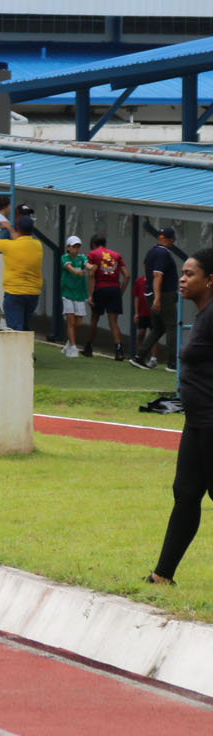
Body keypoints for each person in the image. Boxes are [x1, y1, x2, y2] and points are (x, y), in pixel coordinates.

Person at [146, 248, 213, 586]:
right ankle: (162, 575)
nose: (183, 279)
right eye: (182, 274)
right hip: (197, 421)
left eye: (190, 274)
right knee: (186, 493)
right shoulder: (204, 314)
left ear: (210, 280)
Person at [132, 226, 180, 372]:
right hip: (163, 295)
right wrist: (158, 298)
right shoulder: (164, 253)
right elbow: (158, 275)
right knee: (172, 326)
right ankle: (173, 363)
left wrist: (150, 288)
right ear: (171, 239)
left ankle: (139, 357)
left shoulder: (152, 250)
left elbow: (146, 266)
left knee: (158, 328)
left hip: (150, 293)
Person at [0, 213, 43, 334]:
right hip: (33, 294)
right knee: (25, 328)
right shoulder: (37, 245)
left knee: (16, 330)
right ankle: (27, 352)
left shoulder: (9, 246)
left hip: (14, 293)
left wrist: (4, 228)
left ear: (18, 228)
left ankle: (18, 353)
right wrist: (11, 228)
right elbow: (20, 239)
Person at [82, 232, 128, 359]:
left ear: (93, 244)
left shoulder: (92, 254)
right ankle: (119, 351)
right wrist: (121, 291)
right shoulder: (116, 255)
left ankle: (88, 347)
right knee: (113, 321)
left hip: (100, 289)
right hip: (114, 289)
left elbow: (91, 274)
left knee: (94, 319)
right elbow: (127, 275)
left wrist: (90, 295)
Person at [59, 234, 88, 357]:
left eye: (78, 247)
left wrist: (92, 267)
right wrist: (77, 272)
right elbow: (69, 267)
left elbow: (87, 265)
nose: (76, 249)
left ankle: (69, 342)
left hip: (80, 293)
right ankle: (73, 347)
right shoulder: (64, 257)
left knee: (79, 322)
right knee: (70, 320)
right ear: (68, 247)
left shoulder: (82, 257)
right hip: (68, 292)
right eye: (74, 247)